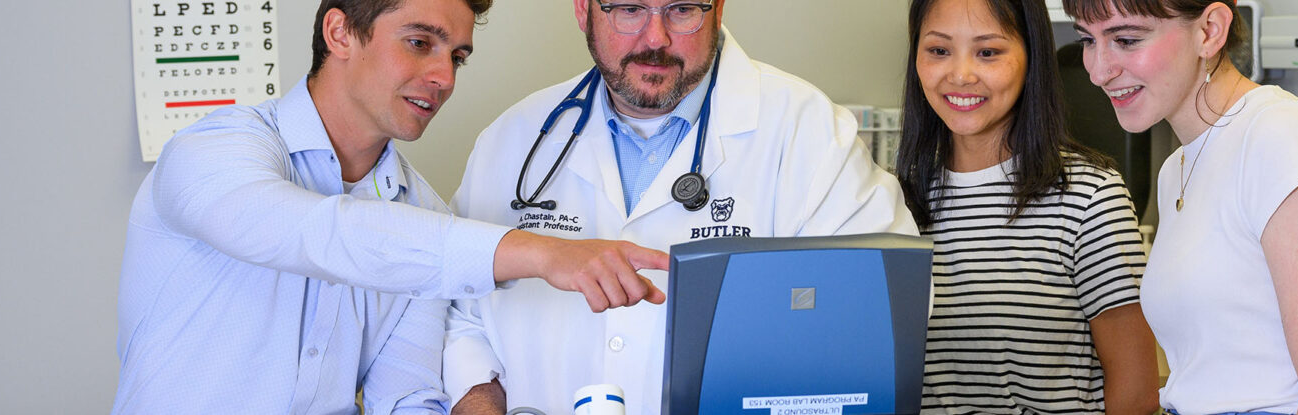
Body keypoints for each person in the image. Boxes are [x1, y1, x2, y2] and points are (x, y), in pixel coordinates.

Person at [113, 0, 671, 413]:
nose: (445, 77)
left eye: (457, 56)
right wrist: (540, 253)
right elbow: (316, 233)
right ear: (340, 32)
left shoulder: (426, 214)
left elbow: (405, 393)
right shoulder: (211, 153)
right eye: (419, 42)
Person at [444, 0, 920, 413]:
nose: (656, 37)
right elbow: (458, 315)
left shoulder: (807, 134)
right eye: (628, 9)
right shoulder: (513, 140)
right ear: (582, 9)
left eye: (683, 9)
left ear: (719, 9)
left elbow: (881, 312)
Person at [1067, 0, 1298, 414]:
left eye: (1126, 39)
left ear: (1210, 30)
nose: (1098, 70)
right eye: (1088, 40)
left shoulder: (1282, 138)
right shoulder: (1176, 168)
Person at [896, 0, 1158, 413]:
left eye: (988, 52)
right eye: (939, 50)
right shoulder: (894, 199)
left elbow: (1137, 390)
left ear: (1031, 57)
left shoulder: (1090, 196)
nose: (960, 75)